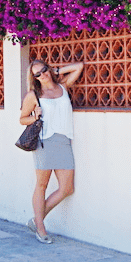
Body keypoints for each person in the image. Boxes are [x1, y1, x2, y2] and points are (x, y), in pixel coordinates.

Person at [18, 58, 83, 244]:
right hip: (44, 143)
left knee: (67, 188)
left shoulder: (62, 87)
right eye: (37, 74)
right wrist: (35, 116)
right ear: (34, 78)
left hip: (63, 142)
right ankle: (41, 229)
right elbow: (22, 119)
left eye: (44, 70)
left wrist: (56, 70)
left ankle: (36, 220)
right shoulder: (33, 95)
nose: (43, 75)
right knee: (41, 185)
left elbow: (79, 66)